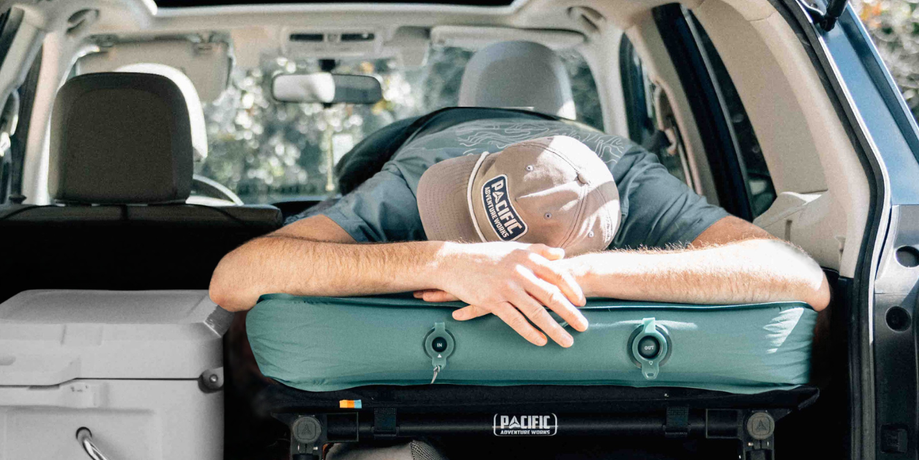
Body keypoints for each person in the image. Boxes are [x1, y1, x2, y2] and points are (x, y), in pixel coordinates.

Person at [209, 111, 831, 346]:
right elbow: (234, 277)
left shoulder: (635, 190)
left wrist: (574, 275)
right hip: (437, 131)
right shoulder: (417, 183)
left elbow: (802, 276)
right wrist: (443, 260)